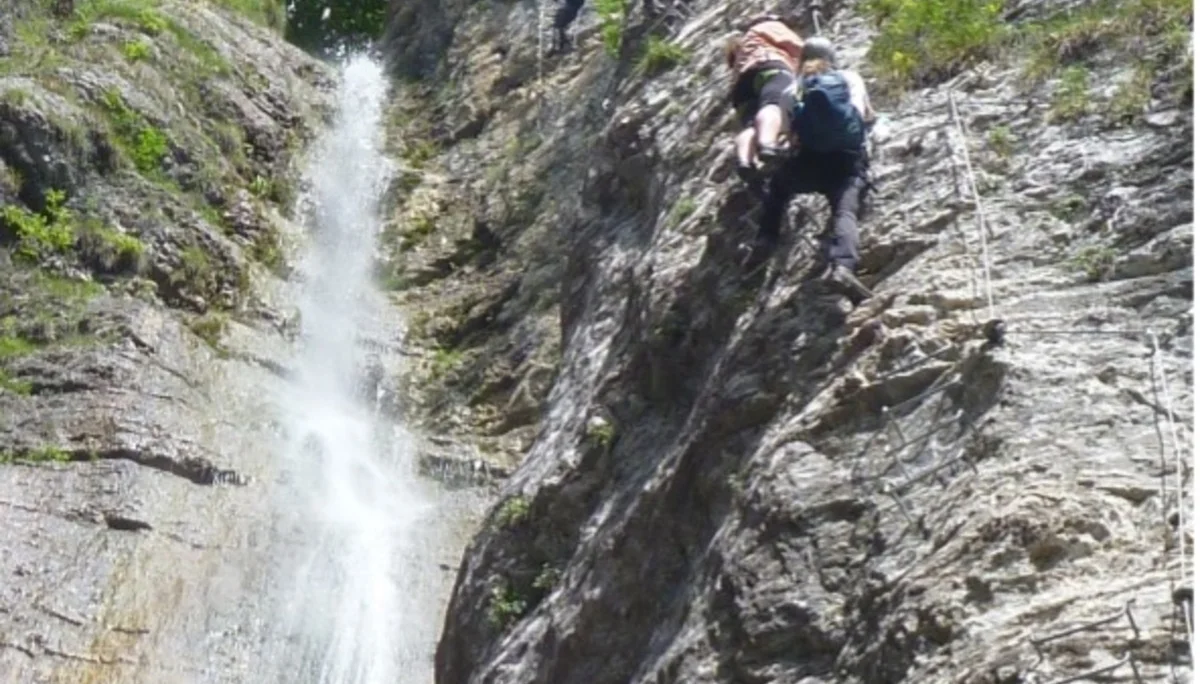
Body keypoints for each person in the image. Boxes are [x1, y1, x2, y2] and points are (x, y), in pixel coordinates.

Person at [754, 36, 876, 305]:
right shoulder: (849, 78)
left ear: (801, 61)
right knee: (845, 213)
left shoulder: (792, 89)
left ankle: (766, 237)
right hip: (846, 162)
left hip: (808, 163)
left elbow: (789, 134)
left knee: (778, 187)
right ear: (832, 58)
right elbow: (865, 115)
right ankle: (843, 267)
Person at [724, 15, 805, 185]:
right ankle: (767, 144)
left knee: (751, 124)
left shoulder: (743, 47)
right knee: (774, 104)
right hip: (769, 66)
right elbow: (798, 47)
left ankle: (745, 161)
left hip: (741, 87)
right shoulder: (768, 25)